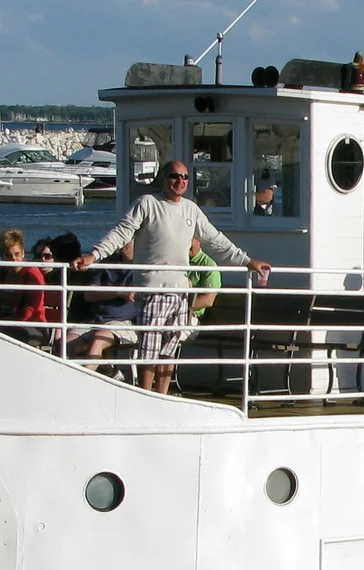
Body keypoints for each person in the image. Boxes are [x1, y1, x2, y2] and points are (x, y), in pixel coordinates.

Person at [75, 159, 271, 395]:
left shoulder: (191, 209)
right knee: (150, 350)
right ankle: (145, 395)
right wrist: (94, 255)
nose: (180, 181)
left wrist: (247, 260)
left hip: (180, 293)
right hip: (153, 290)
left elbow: (216, 240)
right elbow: (122, 232)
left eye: (185, 177)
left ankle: (162, 396)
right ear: (163, 179)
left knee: (169, 349)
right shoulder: (147, 203)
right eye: (174, 176)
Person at [0, 229, 55, 349]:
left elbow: (31, 308)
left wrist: (8, 324)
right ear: (2, 256)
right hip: (6, 323)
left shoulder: (31, 273)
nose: (13, 259)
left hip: (34, 326)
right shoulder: (1, 273)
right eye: (8, 255)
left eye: (17, 254)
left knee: (6, 334)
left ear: (23, 253)